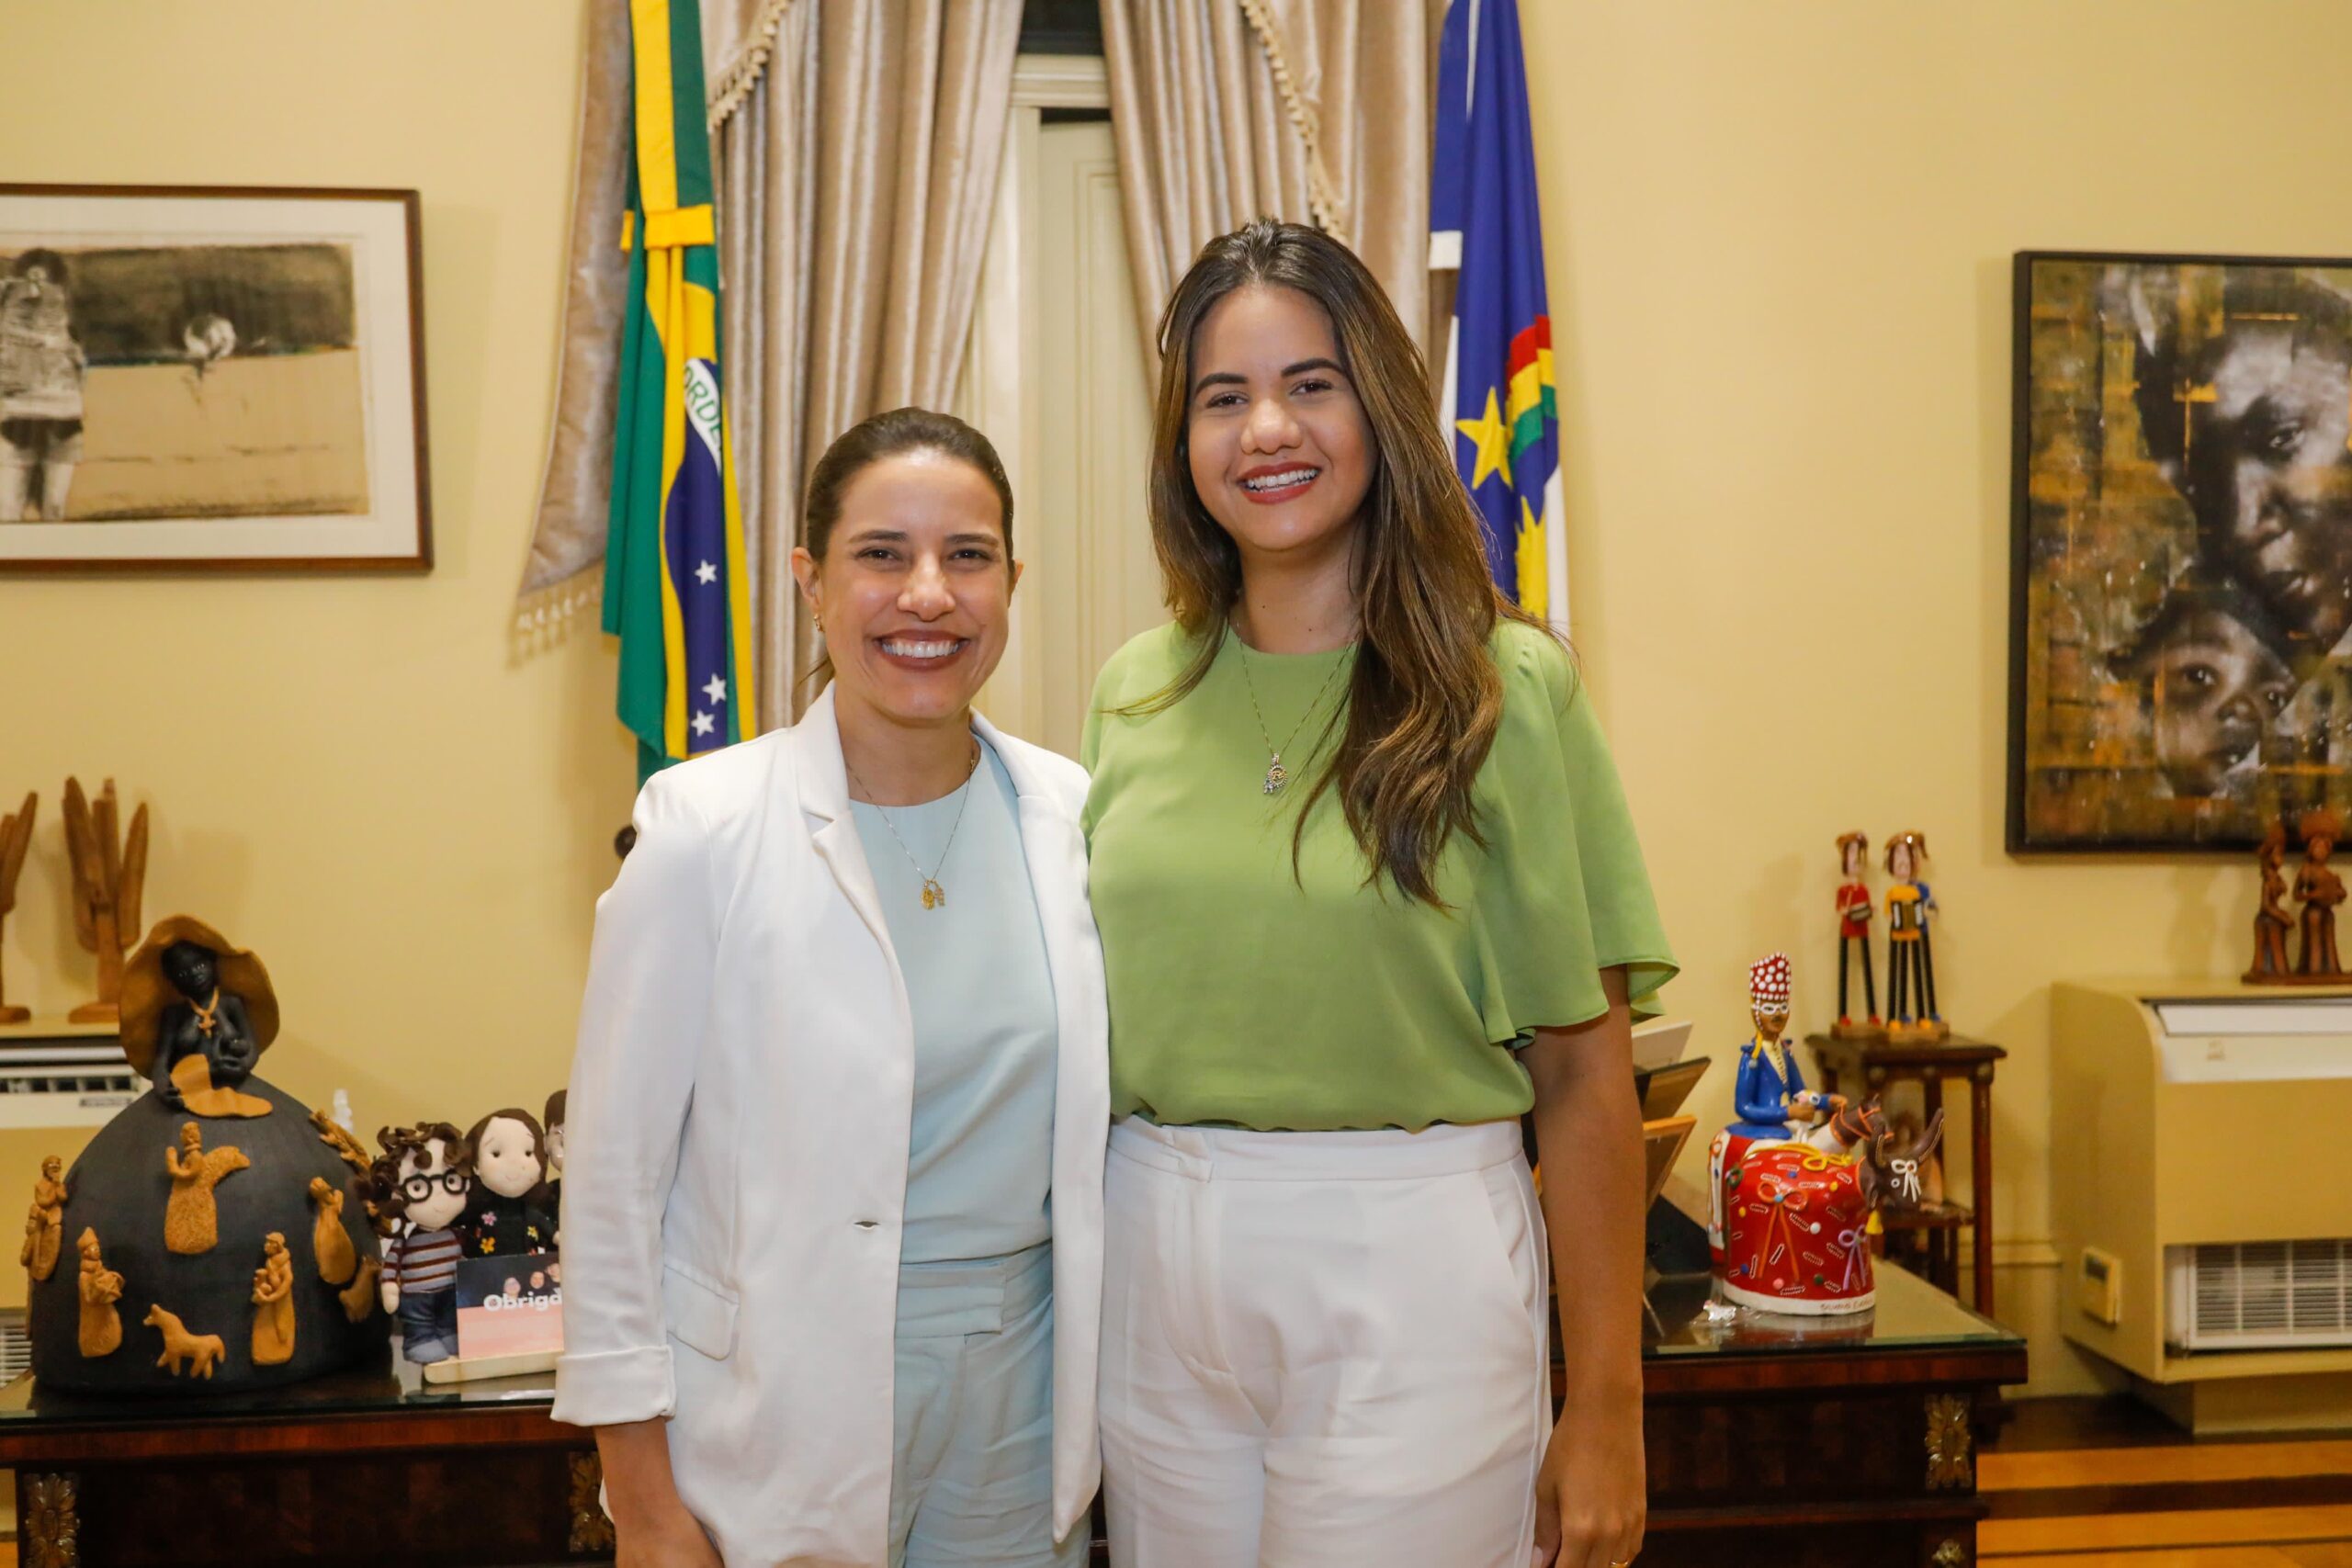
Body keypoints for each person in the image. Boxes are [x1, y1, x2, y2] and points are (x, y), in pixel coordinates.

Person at [1081, 220, 1673, 1568]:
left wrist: (1608, 1407)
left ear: (1381, 410)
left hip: (1408, 1271)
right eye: (1223, 398)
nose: (1266, 429)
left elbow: (1585, 1073)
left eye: (1311, 384)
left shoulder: (1504, 688)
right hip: (1152, 1259)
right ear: (1182, 442)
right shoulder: (1131, 688)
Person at [555, 409, 1107, 1568]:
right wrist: (640, 1503)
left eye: (967, 556)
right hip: (776, 1396)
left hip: (1022, 1396)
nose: (927, 594)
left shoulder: (1073, 816)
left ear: (1012, 583)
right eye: (881, 555)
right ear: (810, 582)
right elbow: (611, 1185)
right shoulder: (703, 828)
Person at [0, 249, 86, 522]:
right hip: (18, 423)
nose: (35, 289)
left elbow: (79, 374)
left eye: (42, 281)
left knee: (53, 510)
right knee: (9, 511)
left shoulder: (67, 329)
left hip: (60, 424)